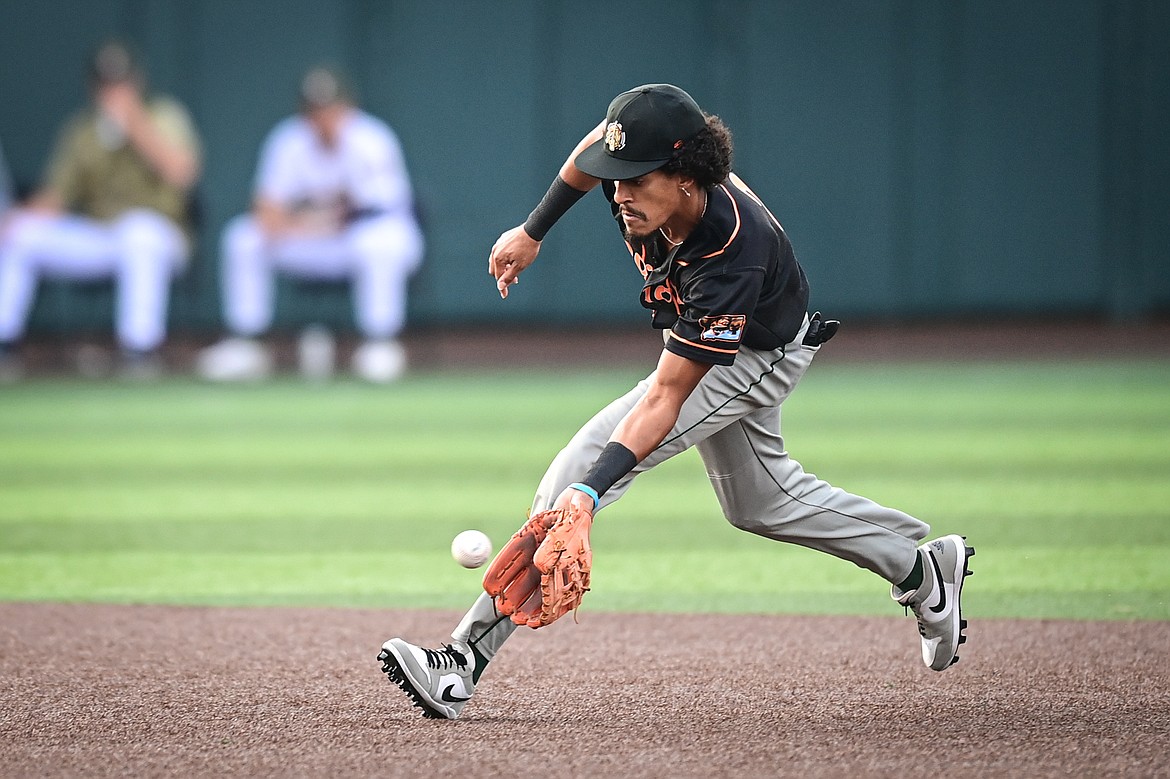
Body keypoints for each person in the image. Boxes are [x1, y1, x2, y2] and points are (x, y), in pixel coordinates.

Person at [377, 84, 974, 719]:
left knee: (575, 476)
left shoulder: (731, 251)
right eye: (618, 175)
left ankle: (461, 661)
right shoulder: (645, 185)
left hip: (754, 356)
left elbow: (668, 393)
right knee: (761, 503)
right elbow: (590, 154)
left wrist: (590, 493)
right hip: (719, 339)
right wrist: (532, 231)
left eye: (635, 178)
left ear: (688, 179)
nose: (618, 191)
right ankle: (920, 569)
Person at [197, 66, 424, 383]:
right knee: (243, 237)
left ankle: (380, 343)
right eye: (315, 110)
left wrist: (306, 220)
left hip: (366, 238)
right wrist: (306, 223)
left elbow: (363, 213)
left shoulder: (372, 139)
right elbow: (265, 211)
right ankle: (246, 343)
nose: (323, 118)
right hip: (312, 239)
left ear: (347, 107)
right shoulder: (288, 140)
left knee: (379, 243)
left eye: (330, 109)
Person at [0, 40, 201, 379]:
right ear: (94, 87)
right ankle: (4, 341)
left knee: (140, 233)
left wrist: (136, 125)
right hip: (101, 235)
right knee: (21, 235)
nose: (115, 92)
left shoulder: (165, 114)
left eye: (122, 82)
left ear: (137, 82)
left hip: (161, 235)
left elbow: (183, 172)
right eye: (107, 84)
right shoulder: (83, 129)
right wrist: (15, 219)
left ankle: (140, 350)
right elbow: (56, 198)